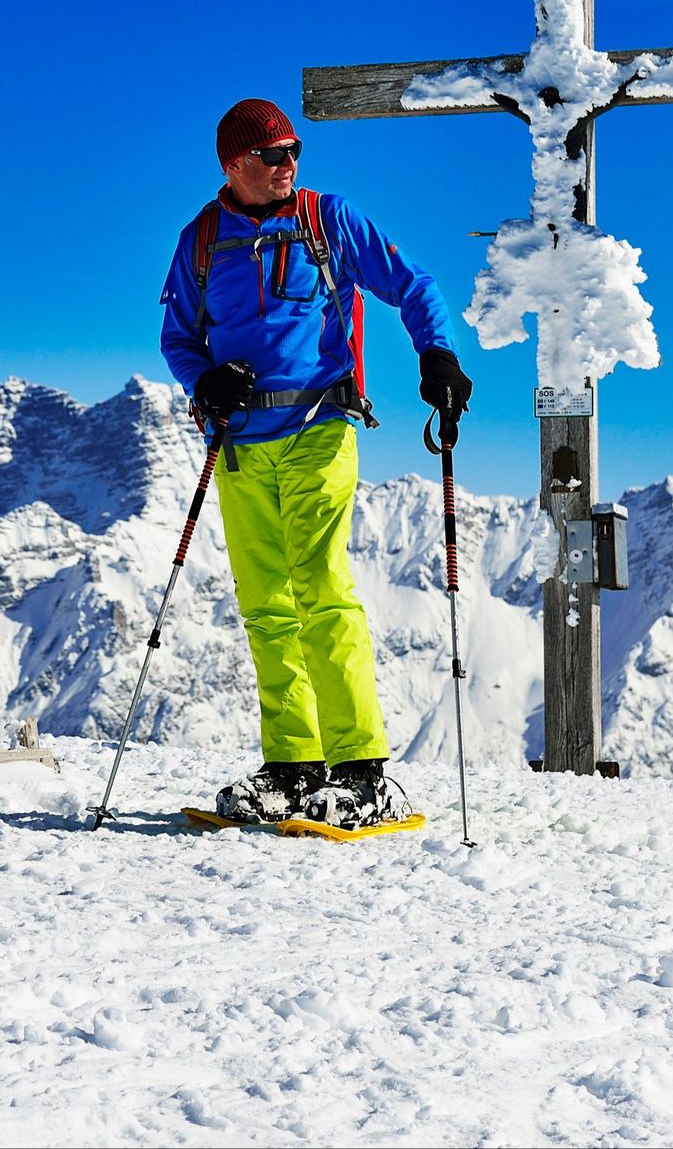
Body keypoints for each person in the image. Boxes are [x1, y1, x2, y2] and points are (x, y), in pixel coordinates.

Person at [158, 97, 473, 828]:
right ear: (233, 165)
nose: (288, 164)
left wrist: (437, 353)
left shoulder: (327, 219)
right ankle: (293, 768)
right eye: (272, 155)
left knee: (322, 590)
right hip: (238, 444)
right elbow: (178, 337)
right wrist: (204, 381)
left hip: (319, 428)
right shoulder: (200, 241)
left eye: (294, 150)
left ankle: (362, 770)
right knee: (266, 604)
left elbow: (413, 284)